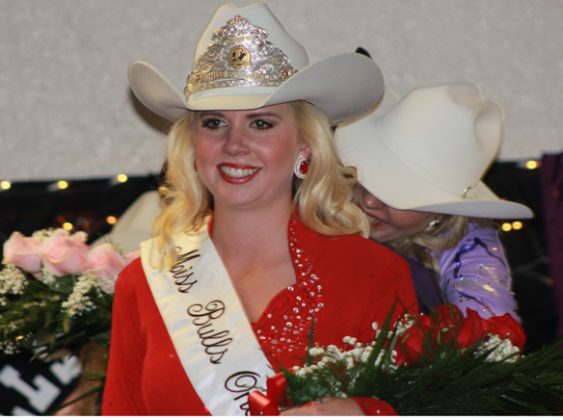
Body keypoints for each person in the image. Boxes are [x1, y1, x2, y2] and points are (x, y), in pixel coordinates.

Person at [102, 3, 418, 416]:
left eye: (261, 123)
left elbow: (419, 403)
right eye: (214, 123)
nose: (234, 145)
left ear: (305, 146)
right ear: (192, 145)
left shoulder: (372, 274)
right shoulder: (143, 282)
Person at [335, 83, 534, 321]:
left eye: (400, 192)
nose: (368, 201)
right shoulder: (314, 202)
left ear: (441, 212)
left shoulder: (470, 245)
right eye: (364, 177)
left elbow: (486, 328)